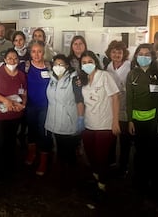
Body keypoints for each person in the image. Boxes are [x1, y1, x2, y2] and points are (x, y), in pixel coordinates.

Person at [126, 43, 158, 207]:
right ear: (136, 56)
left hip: (154, 120)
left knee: (153, 154)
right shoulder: (132, 74)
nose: (144, 56)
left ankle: (152, 185)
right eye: (140, 53)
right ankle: (139, 183)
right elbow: (129, 99)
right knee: (140, 153)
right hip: (137, 121)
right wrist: (129, 120)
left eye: (147, 54)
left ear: (152, 56)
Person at [79, 50, 120, 199]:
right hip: (89, 124)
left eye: (90, 62)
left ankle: (102, 186)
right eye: (84, 63)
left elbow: (115, 97)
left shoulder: (104, 76)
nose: (87, 65)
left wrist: (115, 121)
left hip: (105, 124)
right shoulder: (82, 80)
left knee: (102, 157)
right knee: (91, 156)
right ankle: (96, 179)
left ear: (95, 62)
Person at [45, 54, 84, 183]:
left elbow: (79, 101)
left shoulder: (74, 79)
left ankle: (72, 179)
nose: (58, 67)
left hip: (69, 122)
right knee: (60, 152)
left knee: (69, 153)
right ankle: (61, 177)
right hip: (55, 121)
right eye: (56, 64)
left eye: (61, 64)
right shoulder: (51, 78)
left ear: (67, 66)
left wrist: (80, 119)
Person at [0, 48, 26, 180]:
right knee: (0, 142)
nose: (12, 61)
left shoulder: (21, 75)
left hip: (15, 113)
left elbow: (23, 93)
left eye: (15, 58)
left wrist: (23, 104)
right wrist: (7, 101)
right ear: (4, 60)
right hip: (0, 114)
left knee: (11, 141)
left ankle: (10, 168)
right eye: (9, 58)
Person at [24, 41, 52, 176]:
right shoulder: (25, 66)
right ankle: (32, 153)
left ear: (44, 52)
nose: (36, 54)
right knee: (32, 130)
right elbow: (8, 68)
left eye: (39, 51)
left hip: (46, 106)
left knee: (43, 132)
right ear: (30, 52)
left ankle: (44, 161)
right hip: (30, 105)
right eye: (33, 51)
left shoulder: (50, 67)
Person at [105, 40, 132, 176]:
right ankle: (110, 162)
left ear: (124, 54)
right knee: (111, 138)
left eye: (119, 52)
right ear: (109, 53)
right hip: (111, 108)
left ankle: (123, 166)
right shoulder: (107, 67)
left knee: (125, 140)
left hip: (126, 107)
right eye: (114, 52)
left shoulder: (130, 66)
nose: (116, 55)